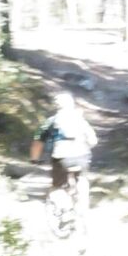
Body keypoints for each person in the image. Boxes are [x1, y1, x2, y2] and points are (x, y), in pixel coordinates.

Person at [32, 87, 96, 240]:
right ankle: (83, 204)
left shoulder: (52, 121)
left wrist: (35, 159)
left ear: (57, 106)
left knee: (57, 187)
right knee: (82, 178)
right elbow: (94, 140)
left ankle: (66, 212)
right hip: (82, 157)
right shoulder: (81, 120)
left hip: (62, 158)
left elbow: (37, 141)